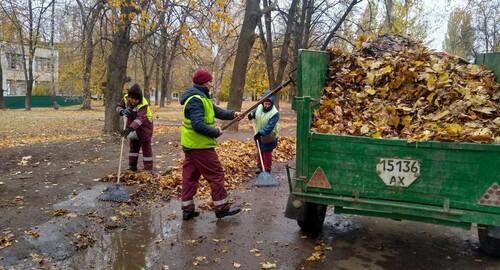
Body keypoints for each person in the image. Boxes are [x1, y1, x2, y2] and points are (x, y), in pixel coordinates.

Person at [180, 68, 242, 220]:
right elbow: (198, 125)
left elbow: (217, 111)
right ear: (204, 82)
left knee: (190, 177)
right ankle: (222, 208)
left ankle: (187, 210)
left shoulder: (202, 97)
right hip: (200, 147)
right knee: (216, 175)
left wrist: (233, 114)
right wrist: (215, 132)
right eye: (210, 81)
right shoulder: (196, 100)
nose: (211, 84)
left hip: (192, 146)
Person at [116, 83, 154, 173]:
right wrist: (122, 111)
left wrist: (129, 129)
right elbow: (118, 106)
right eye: (131, 98)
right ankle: (132, 166)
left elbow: (140, 119)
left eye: (135, 99)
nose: (133, 101)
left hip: (145, 127)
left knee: (146, 148)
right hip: (132, 126)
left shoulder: (143, 104)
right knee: (133, 146)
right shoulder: (125, 98)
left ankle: (148, 169)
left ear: (139, 99)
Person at [247, 91, 279, 173]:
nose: (267, 106)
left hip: (269, 135)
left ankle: (267, 169)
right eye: (265, 104)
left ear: (271, 104)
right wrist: (251, 115)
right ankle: (260, 167)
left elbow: (270, 127)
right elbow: (254, 112)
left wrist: (260, 133)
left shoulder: (274, 113)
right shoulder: (259, 107)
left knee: (267, 152)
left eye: (269, 104)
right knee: (260, 150)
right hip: (258, 133)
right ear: (263, 103)